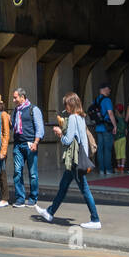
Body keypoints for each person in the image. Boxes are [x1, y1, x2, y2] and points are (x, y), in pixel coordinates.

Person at [35, 94, 101, 228]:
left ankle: (95, 219)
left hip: (74, 159)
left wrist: (60, 133)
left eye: (66, 104)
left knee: (85, 190)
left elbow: (67, 140)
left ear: (71, 104)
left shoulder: (72, 118)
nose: (65, 107)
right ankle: (50, 212)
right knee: (63, 186)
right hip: (79, 158)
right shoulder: (81, 117)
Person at [10, 88, 44, 208]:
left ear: (22, 97)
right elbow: (12, 125)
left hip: (30, 144)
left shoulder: (33, 109)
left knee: (33, 173)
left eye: (15, 97)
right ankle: (20, 198)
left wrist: (36, 142)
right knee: (17, 172)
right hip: (18, 144)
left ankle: (33, 197)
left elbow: (40, 128)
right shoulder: (15, 111)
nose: (13, 100)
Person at [89, 82, 117, 176]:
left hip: (98, 127)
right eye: (109, 89)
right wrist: (115, 126)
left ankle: (101, 169)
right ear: (104, 89)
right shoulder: (107, 100)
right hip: (107, 127)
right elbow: (110, 113)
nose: (109, 91)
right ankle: (108, 169)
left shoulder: (96, 100)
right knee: (108, 149)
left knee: (100, 149)